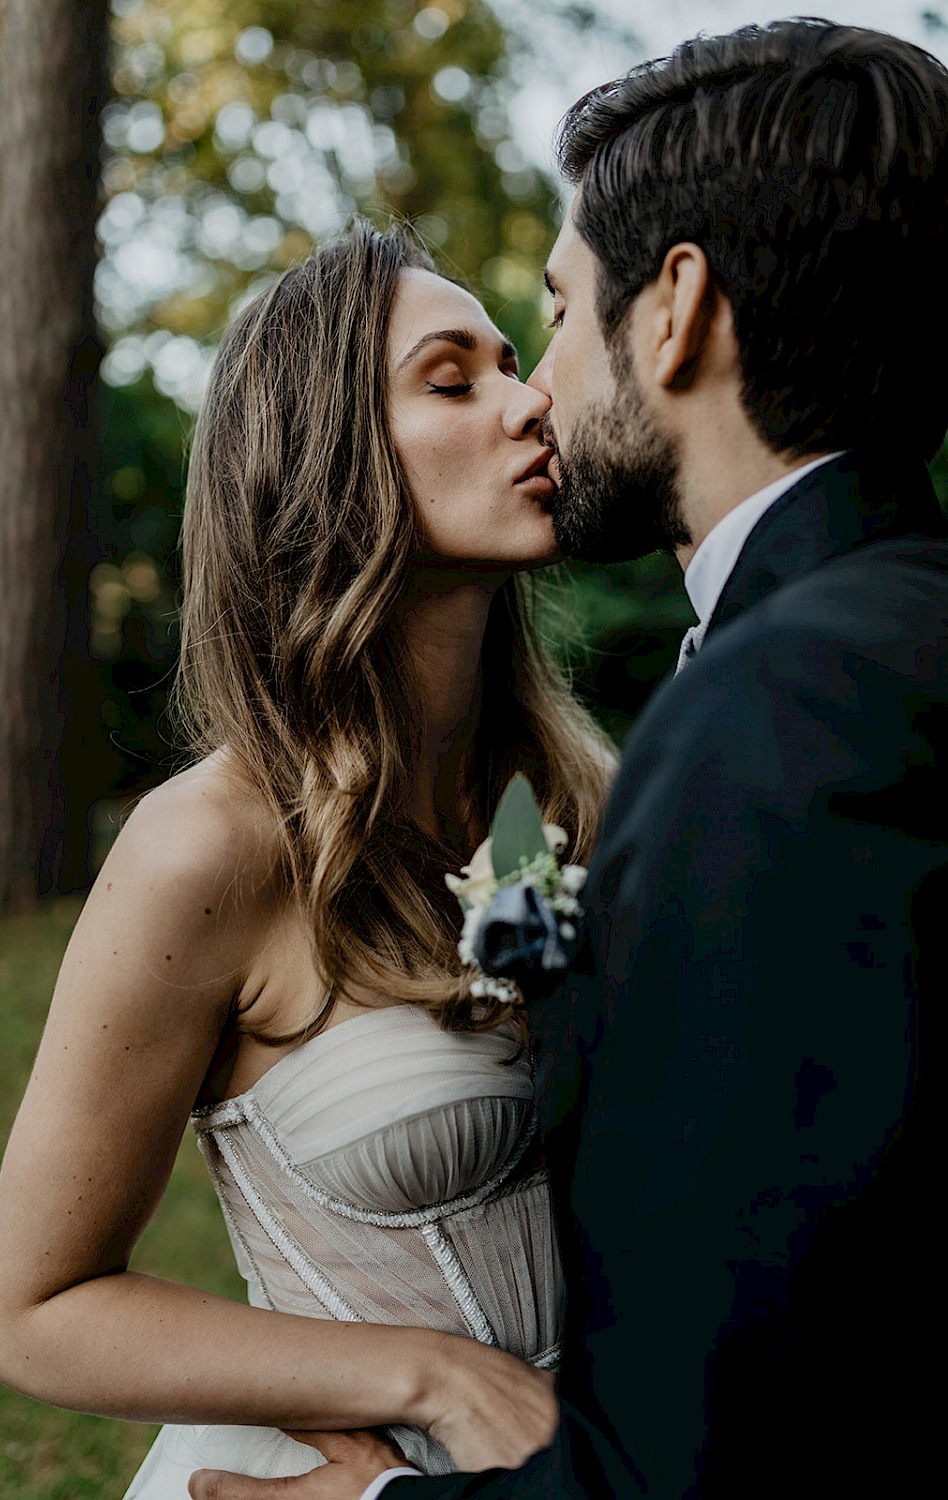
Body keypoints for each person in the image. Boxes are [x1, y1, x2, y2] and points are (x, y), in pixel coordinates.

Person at [192, 17, 948, 1500]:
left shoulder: (781, 713)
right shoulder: (847, 651)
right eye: (453, 374)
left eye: (549, 313)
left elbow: (737, 1418)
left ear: (674, 313)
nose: (540, 389)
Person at [0, 221, 616, 1496]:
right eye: (453, 379)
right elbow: (33, 1311)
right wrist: (427, 1376)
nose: (529, 397)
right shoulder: (205, 848)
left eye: (512, 359)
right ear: (327, 462)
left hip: (597, 1464)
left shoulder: (576, 792)